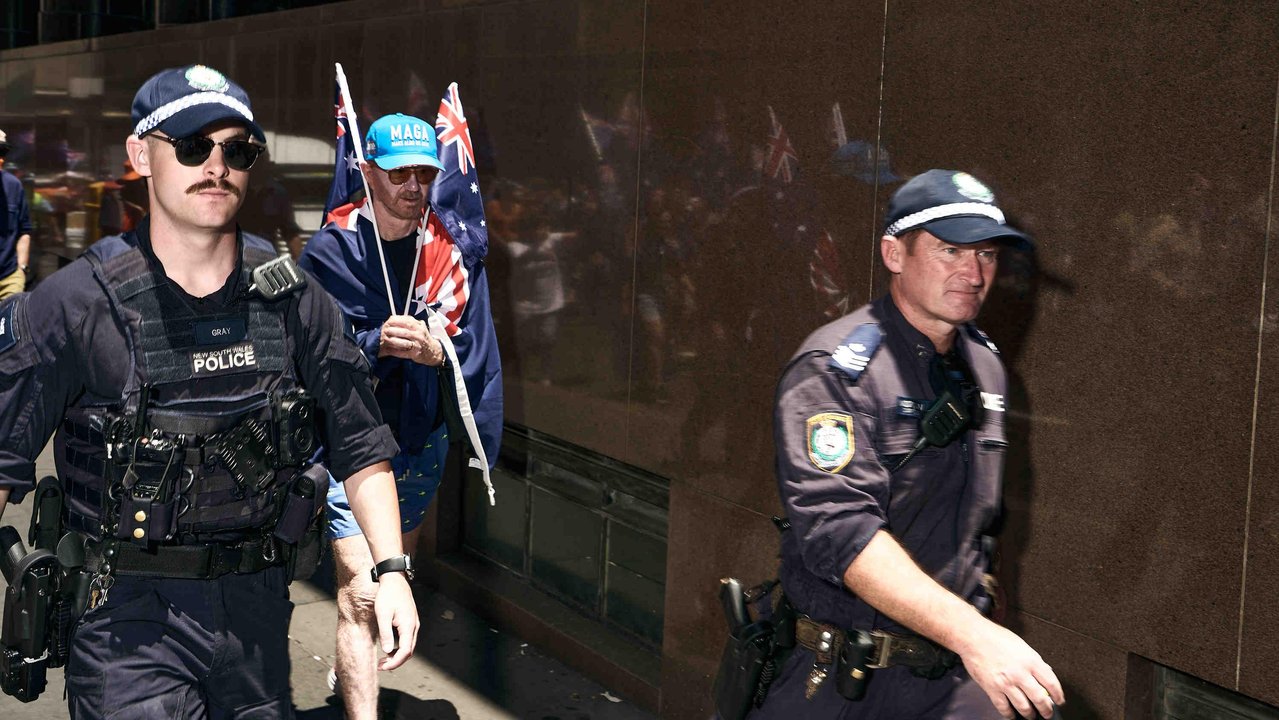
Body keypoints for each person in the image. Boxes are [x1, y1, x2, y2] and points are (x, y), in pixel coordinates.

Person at [0, 64, 419, 719]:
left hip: (255, 620)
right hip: (128, 625)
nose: (216, 165)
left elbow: (360, 443)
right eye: (193, 146)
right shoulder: (74, 304)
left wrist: (391, 570)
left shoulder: (292, 298)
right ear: (140, 155)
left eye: (237, 150)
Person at [753, 170, 1064, 719]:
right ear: (894, 254)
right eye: (950, 250)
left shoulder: (983, 363)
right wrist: (977, 636)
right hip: (849, 680)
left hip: (953, 675)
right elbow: (841, 532)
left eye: (987, 255)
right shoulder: (836, 370)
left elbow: (976, 521)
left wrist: (984, 622)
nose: (974, 274)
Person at [299, 111, 502, 720]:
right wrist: (372, 343)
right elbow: (304, 347)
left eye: (423, 173)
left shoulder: (449, 247)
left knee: (395, 574)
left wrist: (439, 350)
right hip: (350, 442)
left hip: (419, 439)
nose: (413, 186)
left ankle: (353, 673)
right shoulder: (333, 247)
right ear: (367, 171)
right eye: (398, 173)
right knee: (362, 591)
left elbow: (475, 341)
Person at [0, 128, 32, 299]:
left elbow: (24, 231)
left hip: (9, 279)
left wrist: (21, 269)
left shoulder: (13, 186)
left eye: (2, 151)